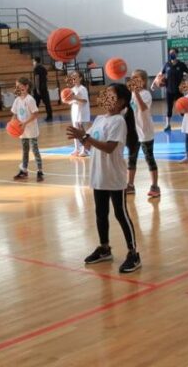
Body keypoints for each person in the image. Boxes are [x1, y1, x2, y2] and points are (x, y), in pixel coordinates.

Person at [66, 83, 141, 273]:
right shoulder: (99, 119)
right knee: (100, 213)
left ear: (121, 101)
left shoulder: (119, 121)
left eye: (111, 96)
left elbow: (109, 147)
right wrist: (82, 137)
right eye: (105, 95)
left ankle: (133, 253)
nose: (106, 98)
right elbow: (90, 146)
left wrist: (86, 137)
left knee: (120, 214)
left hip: (114, 176)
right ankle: (104, 248)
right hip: (98, 175)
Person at [127, 70, 160, 197]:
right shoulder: (130, 94)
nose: (134, 80)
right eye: (133, 78)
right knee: (131, 159)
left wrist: (136, 93)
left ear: (144, 81)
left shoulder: (146, 94)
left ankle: (155, 186)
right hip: (134, 132)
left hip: (145, 131)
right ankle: (130, 185)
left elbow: (143, 108)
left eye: (137, 78)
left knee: (149, 158)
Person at [11, 77, 44, 181]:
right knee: (25, 151)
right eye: (16, 86)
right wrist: (12, 124)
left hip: (31, 130)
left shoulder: (30, 99)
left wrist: (25, 123)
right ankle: (24, 171)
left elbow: (35, 114)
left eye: (19, 85)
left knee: (35, 150)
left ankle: (40, 171)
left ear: (26, 86)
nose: (17, 87)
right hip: (22, 130)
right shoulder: (17, 100)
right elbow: (14, 114)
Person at [154, 48, 188, 132]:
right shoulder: (167, 65)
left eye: (173, 53)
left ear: (176, 54)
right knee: (169, 108)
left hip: (179, 90)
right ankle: (168, 125)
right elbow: (160, 74)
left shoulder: (181, 64)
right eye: (170, 53)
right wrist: (154, 83)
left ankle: (186, 123)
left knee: (182, 108)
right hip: (169, 90)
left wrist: (184, 81)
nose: (171, 54)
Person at [66, 70, 90, 156]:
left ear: (80, 78)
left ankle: (84, 150)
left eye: (75, 77)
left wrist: (75, 98)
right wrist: (66, 98)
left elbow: (84, 101)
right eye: (72, 77)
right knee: (75, 132)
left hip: (82, 113)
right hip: (75, 113)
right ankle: (76, 149)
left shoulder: (82, 89)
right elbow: (69, 101)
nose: (73, 79)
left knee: (82, 132)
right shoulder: (72, 89)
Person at [32, 57, 53, 122]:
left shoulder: (36, 68)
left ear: (35, 62)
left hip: (38, 88)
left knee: (35, 104)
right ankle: (49, 116)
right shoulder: (43, 68)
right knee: (47, 103)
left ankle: (33, 117)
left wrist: (37, 88)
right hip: (44, 88)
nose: (33, 63)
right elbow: (46, 78)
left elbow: (37, 78)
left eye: (33, 61)